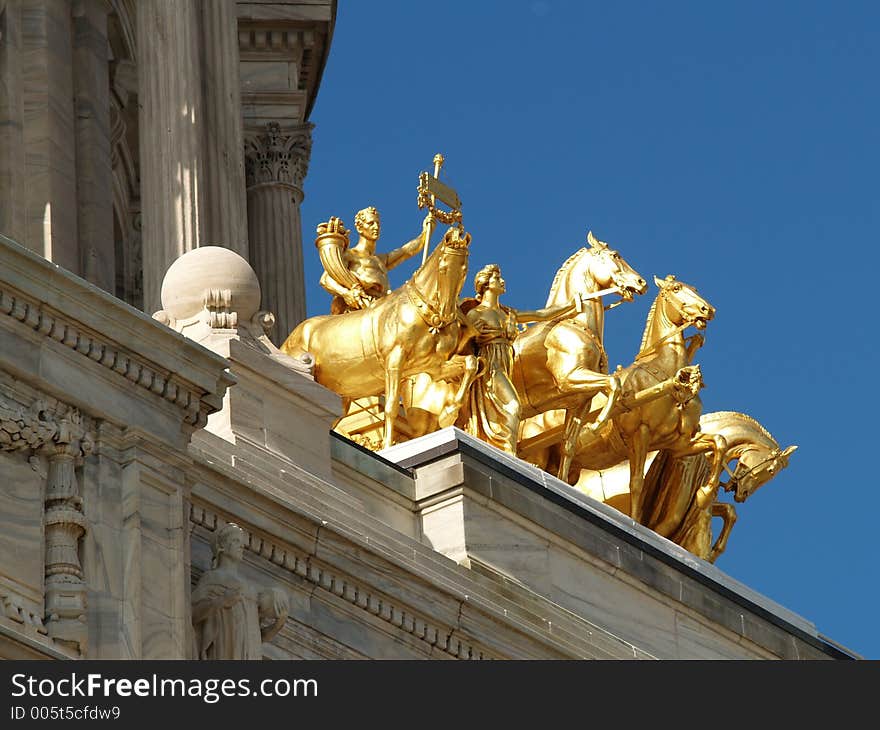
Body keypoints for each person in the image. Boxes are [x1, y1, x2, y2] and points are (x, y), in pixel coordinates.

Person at [459, 264, 581, 454]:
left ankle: (504, 450)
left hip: (505, 364)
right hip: (490, 366)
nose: (502, 281)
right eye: (497, 278)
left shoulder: (508, 314)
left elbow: (540, 315)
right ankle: (509, 452)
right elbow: (463, 342)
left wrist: (570, 305)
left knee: (509, 409)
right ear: (486, 284)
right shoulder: (477, 314)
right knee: (514, 407)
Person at [191, 522, 288, 660]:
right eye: (236, 541)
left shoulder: (250, 589)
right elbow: (193, 612)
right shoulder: (213, 578)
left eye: (242, 542)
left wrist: (278, 624)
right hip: (225, 648)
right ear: (221, 546)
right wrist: (221, 601)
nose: (241, 546)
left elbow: (257, 637)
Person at [319, 206, 434, 314]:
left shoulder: (381, 260)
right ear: (360, 228)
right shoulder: (350, 255)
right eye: (371, 223)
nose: (376, 227)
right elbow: (326, 279)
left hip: (381, 307)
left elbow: (406, 251)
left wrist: (425, 233)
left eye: (377, 223)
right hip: (358, 309)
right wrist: (346, 294)